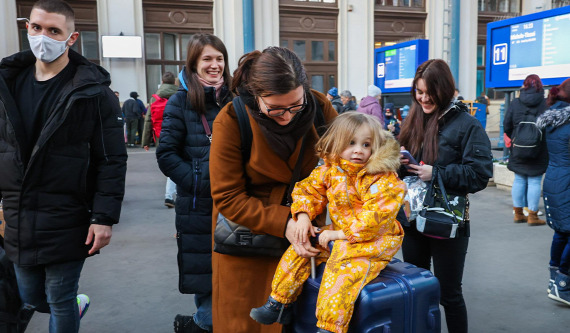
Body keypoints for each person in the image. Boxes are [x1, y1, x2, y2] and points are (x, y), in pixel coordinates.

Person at [0, 1, 127, 332]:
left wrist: (103, 218)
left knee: (58, 297)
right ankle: (73, 307)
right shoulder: (9, 83)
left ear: (71, 38)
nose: (43, 36)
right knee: (31, 295)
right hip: (20, 211)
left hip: (68, 212)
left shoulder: (93, 92)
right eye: (37, 28)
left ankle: (69, 308)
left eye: (54, 30)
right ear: (27, 27)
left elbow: (111, 159)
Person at [209, 46, 338, 333]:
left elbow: (341, 165)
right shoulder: (232, 119)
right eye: (276, 109)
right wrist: (285, 224)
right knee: (249, 324)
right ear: (256, 97)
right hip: (249, 242)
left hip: (308, 238)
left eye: (296, 106)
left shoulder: (318, 107)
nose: (288, 116)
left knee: (307, 321)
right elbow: (228, 197)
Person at [250, 112, 405, 333]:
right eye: (351, 143)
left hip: (377, 238)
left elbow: (375, 218)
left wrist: (339, 235)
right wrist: (303, 216)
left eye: (366, 144)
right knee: (302, 247)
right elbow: (307, 190)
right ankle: (279, 301)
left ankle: (330, 327)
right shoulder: (332, 170)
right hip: (341, 232)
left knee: (342, 268)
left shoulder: (382, 178)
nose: (358, 150)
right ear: (337, 142)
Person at [397, 59, 492, 333]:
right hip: (411, 218)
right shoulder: (413, 118)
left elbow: (480, 174)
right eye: (419, 92)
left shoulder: (467, 125)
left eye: (429, 93)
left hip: (448, 221)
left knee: (449, 295)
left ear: (445, 89)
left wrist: (435, 173)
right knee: (416, 289)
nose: (423, 98)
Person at [156, 33, 233, 333]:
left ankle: (200, 324)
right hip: (199, 205)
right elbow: (167, 155)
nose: (215, 65)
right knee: (206, 275)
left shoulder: (236, 99)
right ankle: (201, 324)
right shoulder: (180, 102)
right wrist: (201, 183)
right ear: (194, 63)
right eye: (207, 59)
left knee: (233, 273)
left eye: (219, 59)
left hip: (237, 203)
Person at [536, 78, 570, 306]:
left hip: (554, 179)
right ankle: (563, 284)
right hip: (567, 181)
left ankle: (554, 279)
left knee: (562, 231)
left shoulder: (552, 117)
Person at [503, 74, 547, 226]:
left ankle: (518, 214)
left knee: (519, 179)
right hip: (538, 149)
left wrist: (515, 137)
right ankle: (533, 216)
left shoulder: (515, 103)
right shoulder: (545, 103)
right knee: (534, 181)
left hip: (518, 148)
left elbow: (506, 125)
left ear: (524, 86)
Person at [142, 71, 177, 151]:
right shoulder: (181, 95)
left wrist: (145, 142)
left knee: (164, 157)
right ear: (174, 82)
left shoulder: (154, 98)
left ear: (162, 82)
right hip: (179, 133)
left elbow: (148, 120)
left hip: (160, 134)